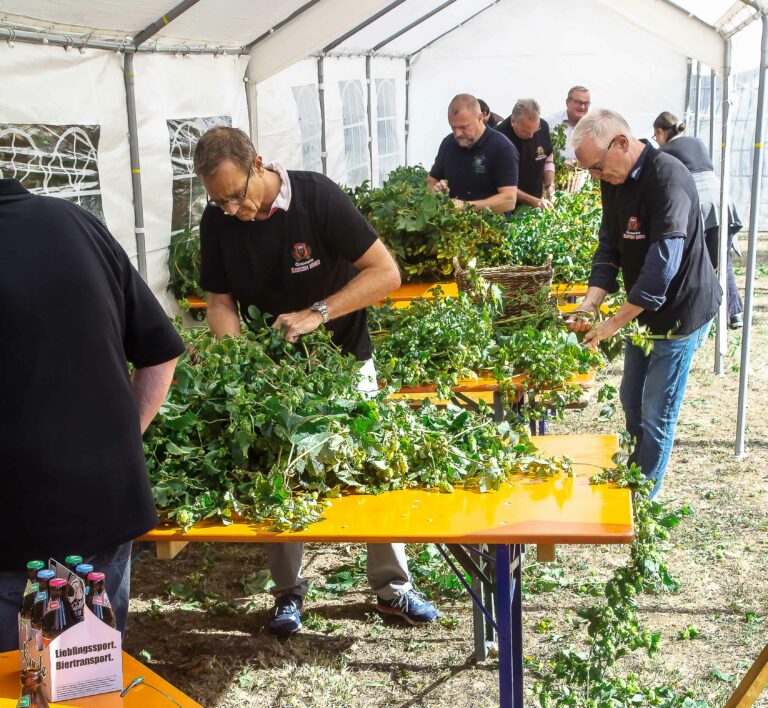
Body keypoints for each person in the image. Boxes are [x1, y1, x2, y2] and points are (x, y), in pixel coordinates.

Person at [194, 126, 440, 637]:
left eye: (237, 196)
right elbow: (219, 302)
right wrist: (237, 355)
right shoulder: (217, 221)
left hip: (345, 361)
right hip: (275, 373)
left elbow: (386, 273)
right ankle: (288, 593)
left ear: (258, 164)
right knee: (278, 472)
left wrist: (318, 312)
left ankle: (392, 588)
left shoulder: (316, 196)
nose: (233, 210)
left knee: (372, 468)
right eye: (220, 203)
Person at [0, 179, 184, 651]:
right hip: (103, 506)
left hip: (17, 534)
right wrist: (122, 440)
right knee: (87, 683)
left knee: (29, 685)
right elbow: (161, 353)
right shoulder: (75, 222)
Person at [566, 109, 721, 500]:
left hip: (679, 313)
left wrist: (611, 324)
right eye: (591, 172)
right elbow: (609, 247)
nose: (597, 177)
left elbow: (660, 270)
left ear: (621, 142)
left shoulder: (668, 178)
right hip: (641, 312)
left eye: (597, 167)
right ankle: (636, 476)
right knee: (630, 399)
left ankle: (643, 504)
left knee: (656, 413)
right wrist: (589, 306)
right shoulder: (613, 180)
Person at [653, 111, 744, 328]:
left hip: (698, 203)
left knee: (698, 258)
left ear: (659, 132)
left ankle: (706, 310)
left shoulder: (665, 152)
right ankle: (734, 315)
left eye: (656, 136)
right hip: (721, 200)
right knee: (723, 260)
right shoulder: (697, 142)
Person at [428, 94, 519, 215]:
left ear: (480, 117)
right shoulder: (448, 143)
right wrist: (436, 191)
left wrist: (466, 207)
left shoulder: (502, 147)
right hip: (453, 227)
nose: (457, 133)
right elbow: (432, 180)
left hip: (490, 229)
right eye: (453, 127)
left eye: (463, 127)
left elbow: (509, 200)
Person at [495, 99, 555, 210]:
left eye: (535, 129)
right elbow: (502, 184)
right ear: (513, 121)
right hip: (509, 209)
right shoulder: (498, 137)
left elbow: (548, 159)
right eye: (526, 131)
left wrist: (549, 186)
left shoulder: (544, 127)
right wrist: (535, 201)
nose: (532, 136)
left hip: (536, 203)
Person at [545, 85, 591, 161]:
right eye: (579, 102)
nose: (582, 107)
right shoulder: (549, 123)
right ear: (567, 102)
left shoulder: (593, 127)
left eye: (586, 103)